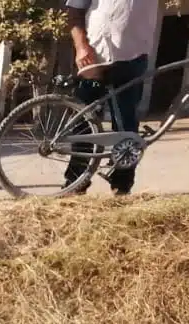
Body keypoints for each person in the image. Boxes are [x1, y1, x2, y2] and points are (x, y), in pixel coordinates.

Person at [64, 0, 159, 194]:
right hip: (96, 56)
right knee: (84, 122)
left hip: (134, 56)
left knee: (127, 125)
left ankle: (122, 186)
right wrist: (81, 47)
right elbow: (74, 9)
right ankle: (75, 182)